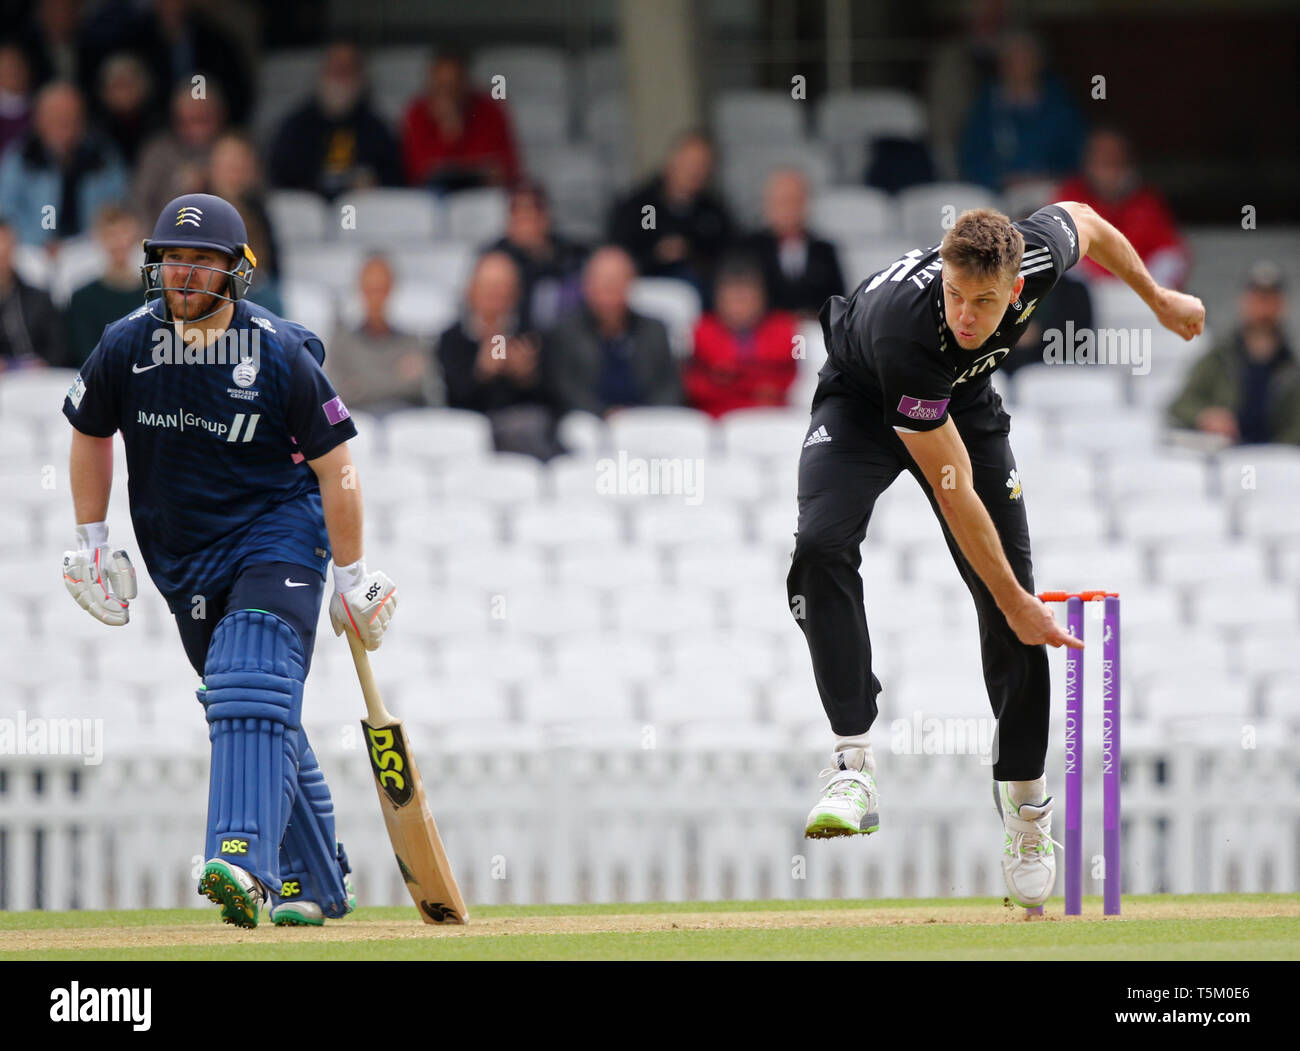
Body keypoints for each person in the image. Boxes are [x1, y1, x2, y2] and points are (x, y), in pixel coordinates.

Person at [788, 200, 1204, 912]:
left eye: (984, 302)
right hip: (862, 402)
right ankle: (852, 761)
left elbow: (1090, 222)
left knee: (1015, 603)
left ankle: (1026, 808)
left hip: (964, 401)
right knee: (823, 545)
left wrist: (1156, 297)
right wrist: (1015, 601)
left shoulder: (1035, 255)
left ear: (1017, 288)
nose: (967, 315)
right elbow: (955, 494)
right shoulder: (908, 330)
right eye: (955, 295)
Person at [60, 192, 397, 928]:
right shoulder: (125, 343)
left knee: (248, 679)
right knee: (254, 703)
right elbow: (90, 431)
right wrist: (90, 539)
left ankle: (241, 859)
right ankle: (316, 877)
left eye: (201, 261)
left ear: (237, 271)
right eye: (172, 258)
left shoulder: (276, 350)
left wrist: (352, 574)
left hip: (280, 532)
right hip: (183, 558)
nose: (183, 274)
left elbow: (337, 468)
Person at [435, 250, 560, 458]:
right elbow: (450, 400)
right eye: (488, 287)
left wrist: (527, 377)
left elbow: (554, 400)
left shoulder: (532, 336)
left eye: (502, 287)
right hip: (471, 432)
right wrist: (481, 372)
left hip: (525, 426)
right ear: (471, 291)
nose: (495, 295)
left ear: (516, 293)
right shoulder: (453, 338)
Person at [1168, 262, 1300, 446]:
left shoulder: (1293, 367)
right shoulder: (1218, 358)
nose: (1264, 309)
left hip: (1277, 462)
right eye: (1258, 300)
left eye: (1271, 300)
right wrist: (1205, 416)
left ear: (1283, 306)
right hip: (1226, 457)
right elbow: (1180, 405)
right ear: (1244, 303)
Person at [544, 246, 682, 418]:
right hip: (589, 420)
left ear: (631, 284)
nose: (608, 292)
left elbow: (670, 386)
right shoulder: (566, 331)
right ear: (587, 286)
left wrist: (642, 415)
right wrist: (604, 413)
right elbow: (564, 389)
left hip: (647, 420)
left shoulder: (655, 329)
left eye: (616, 283)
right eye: (602, 283)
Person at [1055, 127, 1189, 291]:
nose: (1108, 168)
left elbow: (1172, 253)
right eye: (1100, 160)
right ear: (1087, 163)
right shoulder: (1069, 197)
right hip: (1086, 297)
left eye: (1114, 159)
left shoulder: (1146, 202)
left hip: (1137, 296)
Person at [267, 40, 403, 200]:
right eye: (334, 67)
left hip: (360, 217)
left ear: (360, 76)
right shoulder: (296, 126)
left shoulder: (377, 129)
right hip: (308, 219)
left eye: (347, 68)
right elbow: (280, 180)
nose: (339, 75)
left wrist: (374, 185)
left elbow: (395, 182)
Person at [606, 130, 733, 298]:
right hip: (648, 285)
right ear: (673, 161)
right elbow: (629, 247)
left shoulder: (712, 211)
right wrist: (659, 254)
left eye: (702, 165)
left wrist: (694, 254)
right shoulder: (647, 206)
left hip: (700, 290)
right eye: (689, 163)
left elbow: (726, 255)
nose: (694, 171)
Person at [0, 80, 127, 246]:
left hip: (92, 246)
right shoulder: (21, 157)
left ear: (82, 118)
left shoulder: (102, 156)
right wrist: (42, 240)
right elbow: (5, 211)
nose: (63, 121)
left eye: (70, 114)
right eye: (54, 115)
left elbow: (118, 205)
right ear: (39, 119)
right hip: (32, 247)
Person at [958, 30, 1085, 193]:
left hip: (1050, 189)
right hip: (1000, 193)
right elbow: (971, 157)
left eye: (1026, 59)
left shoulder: (1061, 104)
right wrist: (1001, 179)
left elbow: (1078, 155)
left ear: (1039, 63)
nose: (1019, 67)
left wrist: (1046, 176)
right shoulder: (986, 106)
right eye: (1011, 60)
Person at [684, 256, 798, 418]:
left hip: (773, 418)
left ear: (762, 299)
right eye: (732, 300)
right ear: (718, 301)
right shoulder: (701, 331)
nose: (739, 308)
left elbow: (785, 382)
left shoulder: (784, 328)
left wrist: (729, 378)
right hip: (717, 419)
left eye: (746, 299)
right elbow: (696, 387)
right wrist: (756, 382)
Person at [326, 254, 435, 413]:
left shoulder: (412, 342)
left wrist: (361, 384)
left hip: (404, 423)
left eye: (382, 289)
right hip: (358, 428)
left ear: (392, 289)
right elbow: (334, 395)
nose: (376, 298)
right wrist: (396, 379)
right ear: (359, 289)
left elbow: (420, 386)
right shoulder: (341, 343)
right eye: (370, 289)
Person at [401, 50, 520, 191]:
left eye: (453, 84)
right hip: (432, 199)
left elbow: (505, 169)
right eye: (441, 85)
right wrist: (449, 131)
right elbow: (418, 172)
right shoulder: (417, 112)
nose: (447, 93)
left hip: (481, 196)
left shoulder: (490, 110)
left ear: (466, 82)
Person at [738, 169, 845, 318]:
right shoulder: (747, 249)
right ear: (766, 204)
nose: (789, 209)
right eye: (782, 201)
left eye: (796, 200)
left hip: (815, 334)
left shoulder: (825, 251)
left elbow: (837, 302)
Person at [485, 181, 586, 331]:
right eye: (519, 218)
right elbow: (489, 319)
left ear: (545, 218)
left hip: (563, 341)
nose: (525, 227)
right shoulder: (495, 261)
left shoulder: (572, 254)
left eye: (530, 217)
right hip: (508, 340)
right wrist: (501, 352)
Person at [133, 82, 226, 228]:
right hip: (164, 239)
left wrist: (212, 182)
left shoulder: (233, 150)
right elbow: (138, 205)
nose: (197, 129)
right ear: (176, 120)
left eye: (203, 120)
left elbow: (252, 204)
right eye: (188, 121)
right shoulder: (157, 153)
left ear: (219, 116)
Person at [63, 203, 144, 368]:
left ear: (134, 234)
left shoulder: (156, 294)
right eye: (111, 235)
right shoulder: (83, 298)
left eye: (123, 232)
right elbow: (83, 351)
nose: (118, 242)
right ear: (99, 238)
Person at [0, 218, 63, 368]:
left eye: (6, 247)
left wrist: (44, 364)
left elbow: (60, 348)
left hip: (38, 382)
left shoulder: (40, 299)